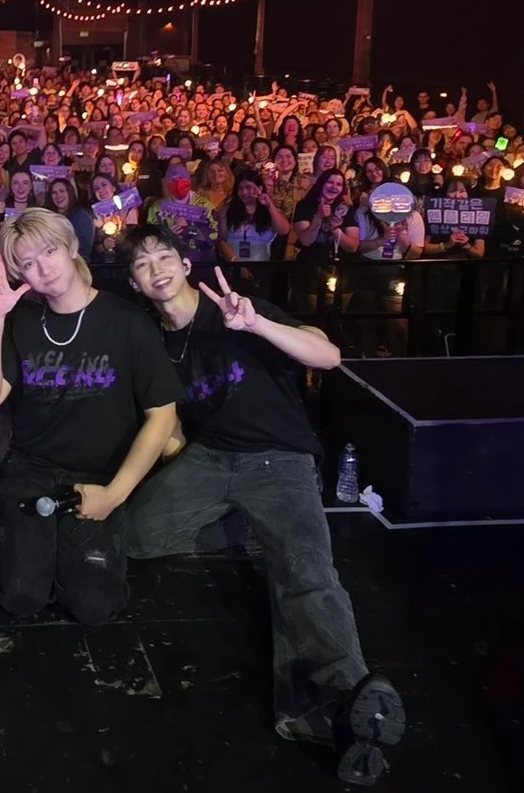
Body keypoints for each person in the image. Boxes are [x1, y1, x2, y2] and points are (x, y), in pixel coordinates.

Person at [118, 224, 404, 786]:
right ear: (134, 282)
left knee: (305, 577)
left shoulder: (234, 308)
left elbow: (327, 355)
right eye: (143, 264)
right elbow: (169, 419)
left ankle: (351, 700)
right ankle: (250, 528)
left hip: (280, 461)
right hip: (211, 459)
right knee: (135, 537)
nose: (157, 270)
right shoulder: (154, 341)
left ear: (184, 264)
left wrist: (257, 324)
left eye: (165, 257)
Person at [0, 208, 181, 627]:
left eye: (49, 251)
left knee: (94, 606)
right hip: (31, 468)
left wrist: (115, 494)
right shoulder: (22, 321)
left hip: (99, 473)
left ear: (71, 247)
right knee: (20, 597)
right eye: (28, 263)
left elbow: (162, 416)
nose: (43, 268)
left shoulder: (127, 322)